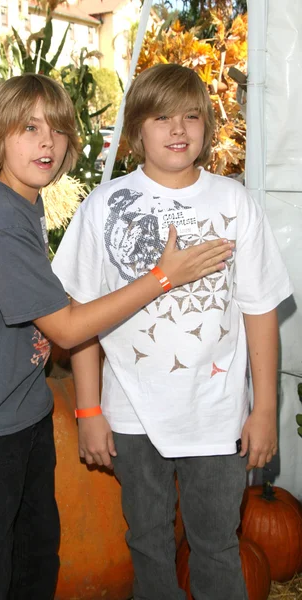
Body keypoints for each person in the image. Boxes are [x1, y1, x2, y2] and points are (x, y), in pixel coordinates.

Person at [0, 72, 233, 600]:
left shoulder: (23, 203)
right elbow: (68, 328)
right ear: (0, 136)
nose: (46, 141)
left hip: (21, 414)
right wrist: (163, 278)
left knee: (35, 553)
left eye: (57, 130)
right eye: (28, 128)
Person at [52, 64, 293, 600]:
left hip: (217, 414)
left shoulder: (235, 203)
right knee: (149, 543)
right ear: (138, 127)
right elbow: (81, 315)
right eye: (162, 117)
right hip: (133, 414)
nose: (178, 129)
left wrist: (263, 410)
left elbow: (259, 311)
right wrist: (88, 411)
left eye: (191, 116)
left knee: (216, 544)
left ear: (207, 126)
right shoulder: (102, 207)